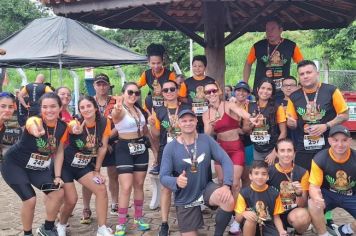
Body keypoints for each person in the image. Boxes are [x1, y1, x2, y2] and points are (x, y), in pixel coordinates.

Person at [160, 109, 235, 236]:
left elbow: (226, 160)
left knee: (228, 200)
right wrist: (176, 181)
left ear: (196, 121)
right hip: (185, 196)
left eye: (191, 120)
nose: (188, 123)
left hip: (205, 188)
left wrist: (227, 185)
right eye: (184, 121)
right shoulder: (170, 147)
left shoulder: (206, 140)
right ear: (178, 123)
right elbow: (163, 176)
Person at [1, 92, 67, 236]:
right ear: (40, 109)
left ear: (60, 107)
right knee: (30, 199)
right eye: (45, 107)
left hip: (37, 168)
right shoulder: (34, 120)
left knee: (58, 192)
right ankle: (27, 233)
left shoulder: (62, 127)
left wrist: (57, 176)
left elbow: (60, 152)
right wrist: (36, 131)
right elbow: (31, 124)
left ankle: (47, 228)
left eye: (53, 106)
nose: (49, 110)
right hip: (14, 165)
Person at [56, 96, 113, 236]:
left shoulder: (105, 122)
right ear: (79, 110)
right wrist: (73, 128)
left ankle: (102, 228)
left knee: (101, 189)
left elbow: (103, 147)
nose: (86, 109)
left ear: (95, 107)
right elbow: (70, 126)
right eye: (82, 107)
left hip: (83, 166)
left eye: (88, 106)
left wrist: (97, 170)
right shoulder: (76, 122)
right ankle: (61, 225)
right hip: (66, 166)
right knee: (72, 200)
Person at [202, 81, 251, 235]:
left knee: (236, 184)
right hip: (220, 149)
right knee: (223, 183)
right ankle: (227, 210)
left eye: (214, 91)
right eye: (208, 92)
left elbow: (243, 113)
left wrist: (251, 118)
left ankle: (236, 218)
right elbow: (207, 135)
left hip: (236, 147)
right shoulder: (206, 113)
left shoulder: (229, 105)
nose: (211, 94)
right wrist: (210, 125)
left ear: (219, 91)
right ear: (205, 95)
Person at [286, 60, 349, 171]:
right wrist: (291, 124)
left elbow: (344, 115)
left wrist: (326, 126)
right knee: (303, 179)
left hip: (328, 145)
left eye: (309, 72)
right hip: (304, 146)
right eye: (302, 74)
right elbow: (293, 125)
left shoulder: (331, 91)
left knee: (326, 179)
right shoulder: (294, 96)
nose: (305, 76)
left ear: (317, 73)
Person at [147, 80, 190, 235]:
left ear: (178, 90)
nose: (169, 92)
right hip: (166, 152)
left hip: (185, 150)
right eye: (166, 90)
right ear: (162, 93)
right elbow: (157, 134)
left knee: (185, 185)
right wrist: (152, 124)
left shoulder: (186, 108)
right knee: (166, 186)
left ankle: (186, 219)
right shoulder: (158, 110)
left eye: (172, 89)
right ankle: (164, 223)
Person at [80, 73, 120, 224]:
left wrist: (107, 138)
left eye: (104, 84)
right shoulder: (89, 102)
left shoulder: (116, 101)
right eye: (99, 84)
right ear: (94, 86)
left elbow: (120, 121)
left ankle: (115, 204)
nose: (102, 87)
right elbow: (83, 122)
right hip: (91, 143)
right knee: (89, 177)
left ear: (109, 85)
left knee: (113, 174)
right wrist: (100, 141)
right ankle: (86, 207)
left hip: (112, 143)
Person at [111, 82, 150, 236]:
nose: (133, 95)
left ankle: (138, 218)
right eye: (130, 92)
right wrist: (117, 107)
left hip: (140, 147)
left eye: (136, 93)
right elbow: (116, 116)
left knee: (139, 184)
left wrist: (154, 149)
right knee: (126, 187)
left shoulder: (139, 110)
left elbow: (145, 130)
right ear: (123, 93)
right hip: (124, 148)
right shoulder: (120, 110)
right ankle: (121, 223)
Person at [308, 125, 356, 236]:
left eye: (344, 140)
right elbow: (314, 186)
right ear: (329, 141)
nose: (340, 144)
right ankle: (324, 234)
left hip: (351, 195)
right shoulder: (320, 158)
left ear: (350, 141)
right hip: (328, 194)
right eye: (335, 140)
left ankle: (346, 230)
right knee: (312, 203)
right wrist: (316, 197)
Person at [137, 43, 176, 175]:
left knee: (167, 136)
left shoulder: (170, 74)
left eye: (158, 63)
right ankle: (158, 161)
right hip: (152, 109)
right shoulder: (146, 74)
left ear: (163, 61)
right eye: (153, 63)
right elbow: (137, 86)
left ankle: (169, 163)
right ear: (148, 62)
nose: (156, 66)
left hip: (167, 109)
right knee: (154, 136)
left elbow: (176, 90)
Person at [243, 18, 304, 102]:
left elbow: (302, 64)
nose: (269, 32)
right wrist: (245, 83)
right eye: (267, 29)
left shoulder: (291, 46)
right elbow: (248, 64)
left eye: (273, 29)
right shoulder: (258, 46)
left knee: (281, 113)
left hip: (282, 90)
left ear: (280, 30)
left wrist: (301, 83)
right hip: (262, 90)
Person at [268, 138, 311, 234]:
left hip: (291, 212)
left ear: (294, 153)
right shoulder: (268, 171)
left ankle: (297, 232)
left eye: (289, 150)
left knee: (303, 217)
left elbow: (302, 205)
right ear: (276, 153)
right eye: (282, 150)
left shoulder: (303, 172)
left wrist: (299, 194)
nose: (286, 154)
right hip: (272, 213)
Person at [235, 160, 287, 236]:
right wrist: (244, 213)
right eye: (256, 173)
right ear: (250, 176)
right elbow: (237, 219)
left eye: (264, 174)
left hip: (268, 226)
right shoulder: (244, 193)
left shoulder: (274, 193)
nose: (260, 177)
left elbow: (276, 217)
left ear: (268, 177)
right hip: (250, 226)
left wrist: (281, 231)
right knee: (251, 219)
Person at [246, 79, 287, 164]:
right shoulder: (249, 106)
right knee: (258, 175)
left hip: (272, 149)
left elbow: (284, 132)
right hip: (256, 149)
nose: (265, 91)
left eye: (269, 89)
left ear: (272, 92)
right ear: (257, 89)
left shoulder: (278, 107)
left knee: (273, 175)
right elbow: (246, 129)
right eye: (263, 88)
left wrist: (275, 152)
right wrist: (253, 125)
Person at [178, 55, 215, 133]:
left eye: (200, 66)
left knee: (208, 137)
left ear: (205, 67)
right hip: (192, 116)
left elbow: (218, 95)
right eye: (194, 66)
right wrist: (191, 102)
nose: (197, 68)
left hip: (208, 115)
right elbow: (180, 97)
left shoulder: (211, 81)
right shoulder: (186, 82)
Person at [280, 76, 299, 142]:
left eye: (292, 85)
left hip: (298, 137)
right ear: (282, 88)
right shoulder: (276, 103)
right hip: (281, 137)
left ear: (297, 87)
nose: (288, 88)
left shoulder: (302, 101)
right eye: (285, 85)